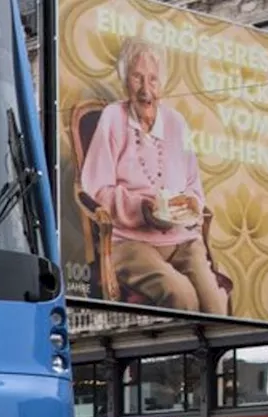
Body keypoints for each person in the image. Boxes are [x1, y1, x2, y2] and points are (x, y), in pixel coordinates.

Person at [80, 38, 227, 314]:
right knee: (181, 296)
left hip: (181, 239)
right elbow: (96, 189)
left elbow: (194, 188)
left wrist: (190, 205)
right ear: (125, 82)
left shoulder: (176, 123)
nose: (146, 90)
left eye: (153, 80)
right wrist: (142, 209)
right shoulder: (113, 117)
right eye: (137, 78)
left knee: (216, 304)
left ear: (162, 84)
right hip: (129, 241)